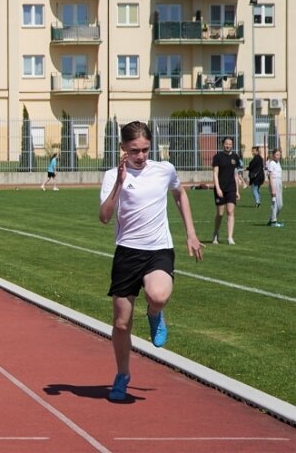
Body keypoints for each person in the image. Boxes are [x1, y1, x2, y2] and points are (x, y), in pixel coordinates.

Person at [99, 121, 203, 402]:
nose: (141, 156)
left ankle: (154, 313)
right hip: (127, 252)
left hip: (159, 249)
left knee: (158, 296)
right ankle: (122, 375)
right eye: (135, 151)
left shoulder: (164, 170)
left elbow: (180, 194)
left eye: (145, 150)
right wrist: (120, 184)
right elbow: (105, 216)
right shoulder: (112, 176)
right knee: (121, 324)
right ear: (123, 148)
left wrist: (191, 234)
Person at [211, 137, 241, 245]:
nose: (228, 145)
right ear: (223, 144)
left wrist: (237, 190)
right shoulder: (217, 157)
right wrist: (218, 188)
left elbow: (236, 174)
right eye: (226, 144)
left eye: (230, 144)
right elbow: (215, 173)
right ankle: (215, 233)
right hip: (220, 188)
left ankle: (230, 237)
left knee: (230, 211)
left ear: (232, 145)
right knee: (220, 213)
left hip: (231, 188)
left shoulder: (235, 157)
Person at [267, 148, 284, 227]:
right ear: (273, 155)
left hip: (279, 183)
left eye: (279, 155)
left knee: (280, 205)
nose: (278, 156)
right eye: (277, 155)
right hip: (274, 183)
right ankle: (273, 221)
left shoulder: (278, 163)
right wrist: (273, 189)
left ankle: (271, 219)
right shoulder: (272, 163)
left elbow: (279, 176)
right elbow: (270, 176)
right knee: (275, 203)